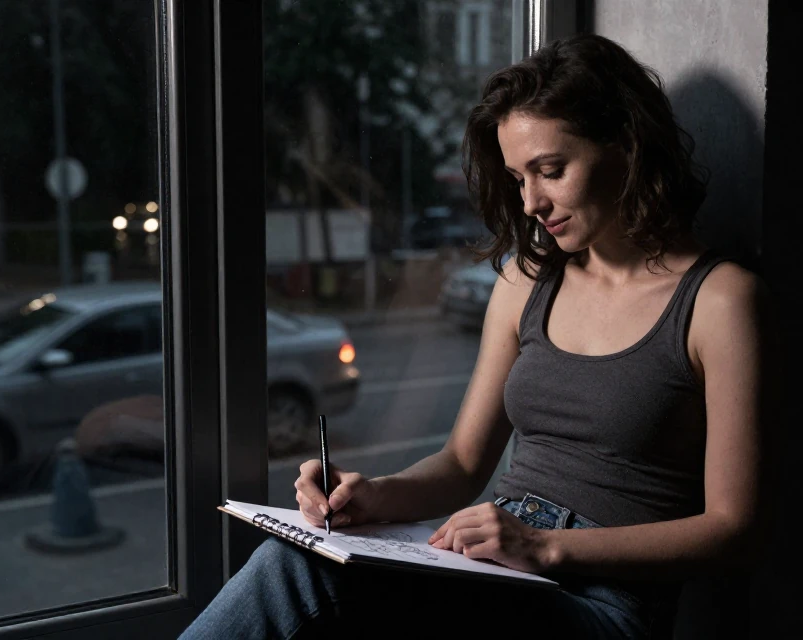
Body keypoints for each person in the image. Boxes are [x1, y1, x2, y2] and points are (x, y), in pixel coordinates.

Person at [180, 32, 771, 639]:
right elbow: (463, 464)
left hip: (603, 603)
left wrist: (544, 548)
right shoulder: (527, 282)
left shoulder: (719, 301)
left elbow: (736, 530)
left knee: (314, 584)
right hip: (491, 562)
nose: (532, 202)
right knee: (299, 558)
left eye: (550, 170)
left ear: (627, 145)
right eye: (518, 178)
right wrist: (372, 496)